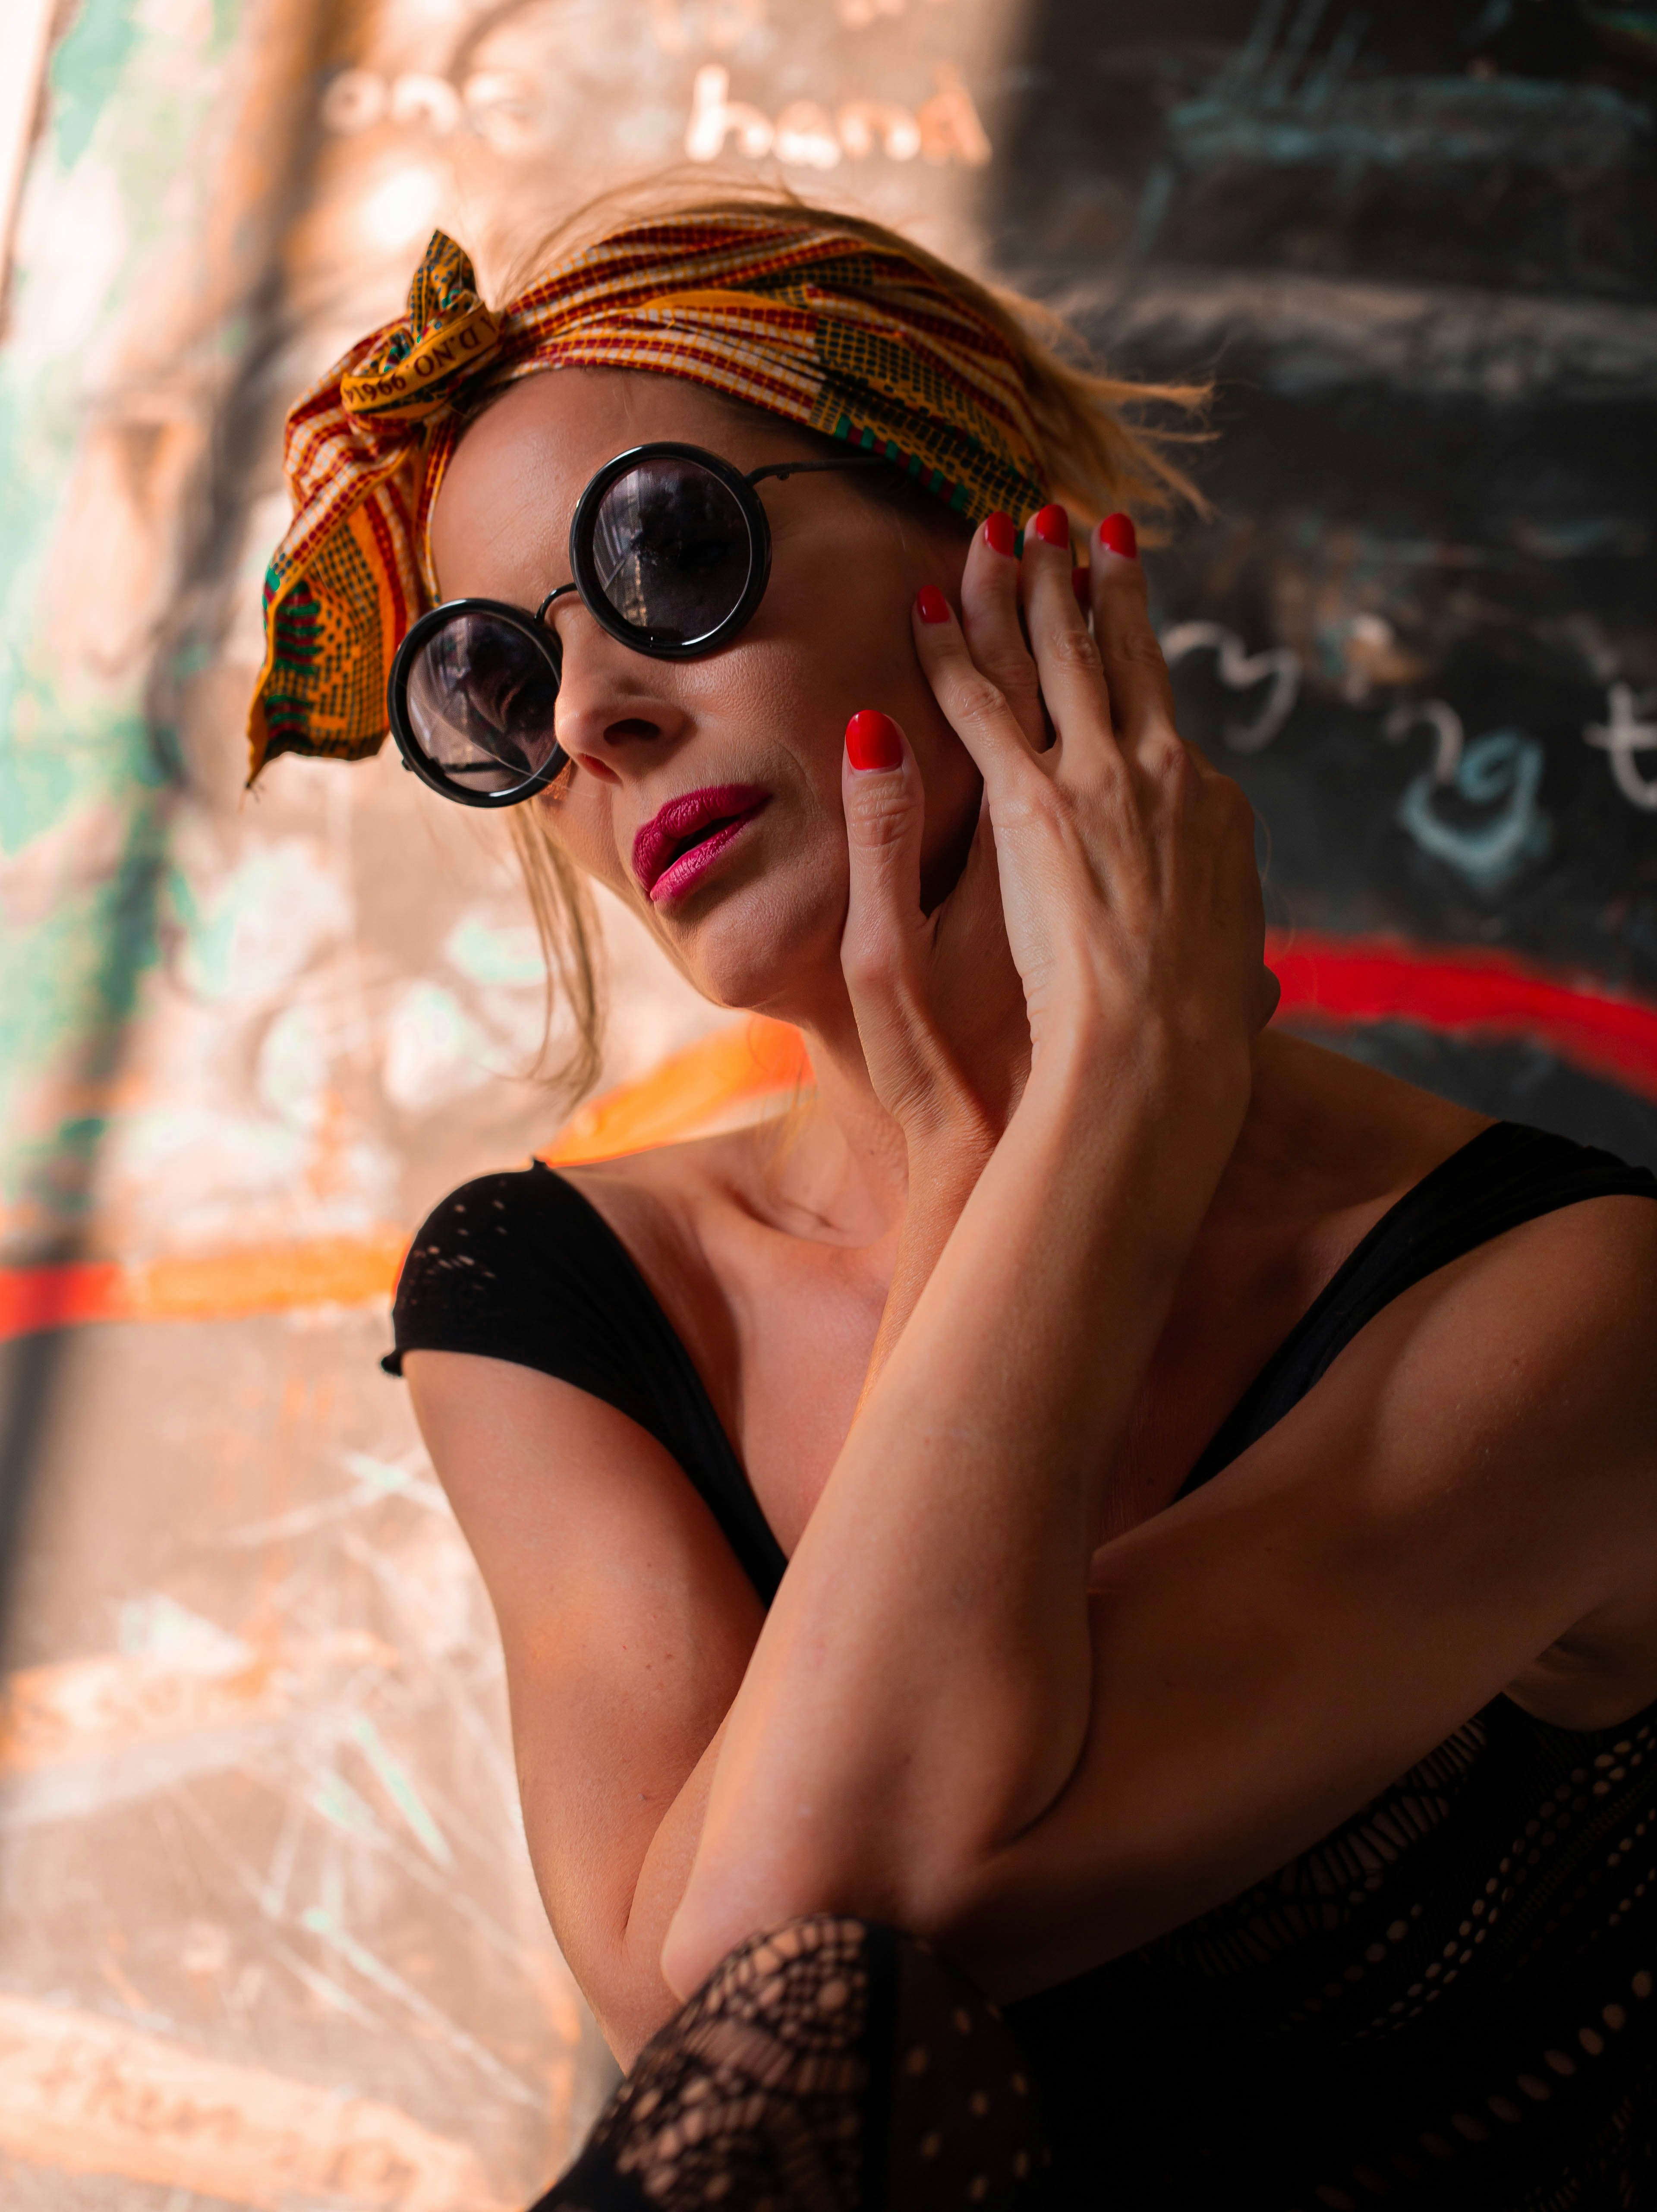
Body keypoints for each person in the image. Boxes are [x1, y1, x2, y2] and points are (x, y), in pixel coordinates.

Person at [249, 191, 1657, 2211]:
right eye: (488, 688)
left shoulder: (1575, 1305)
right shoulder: (560, 1291)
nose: (586, 722)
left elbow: (799, 1936)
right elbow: (740, 2027)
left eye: (661, 556)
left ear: (993, 550)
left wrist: (1102, 1121)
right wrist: (1103, 1117)